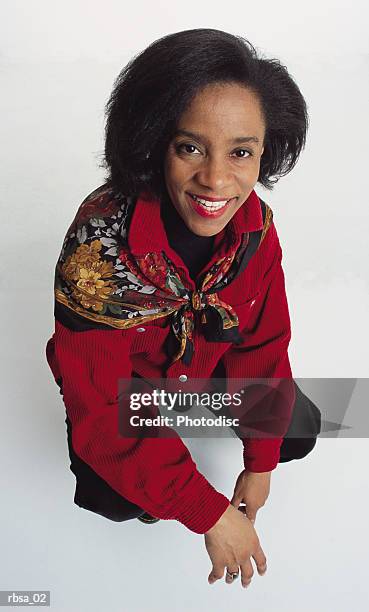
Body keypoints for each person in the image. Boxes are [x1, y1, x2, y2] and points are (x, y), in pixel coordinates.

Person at [45, 28, 321, 589]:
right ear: (154, 141)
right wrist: (207, 511)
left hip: (199, 370)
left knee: (299, 428)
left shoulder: (256, 230)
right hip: (125, 392)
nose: (216, 180)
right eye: (189, 147)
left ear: (266, 150)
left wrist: (260, 462)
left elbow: (264, 344)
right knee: (111, 497)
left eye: (241, 152)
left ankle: (179, 430)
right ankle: (155, 461)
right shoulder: (96, 249)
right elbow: (99, 407)